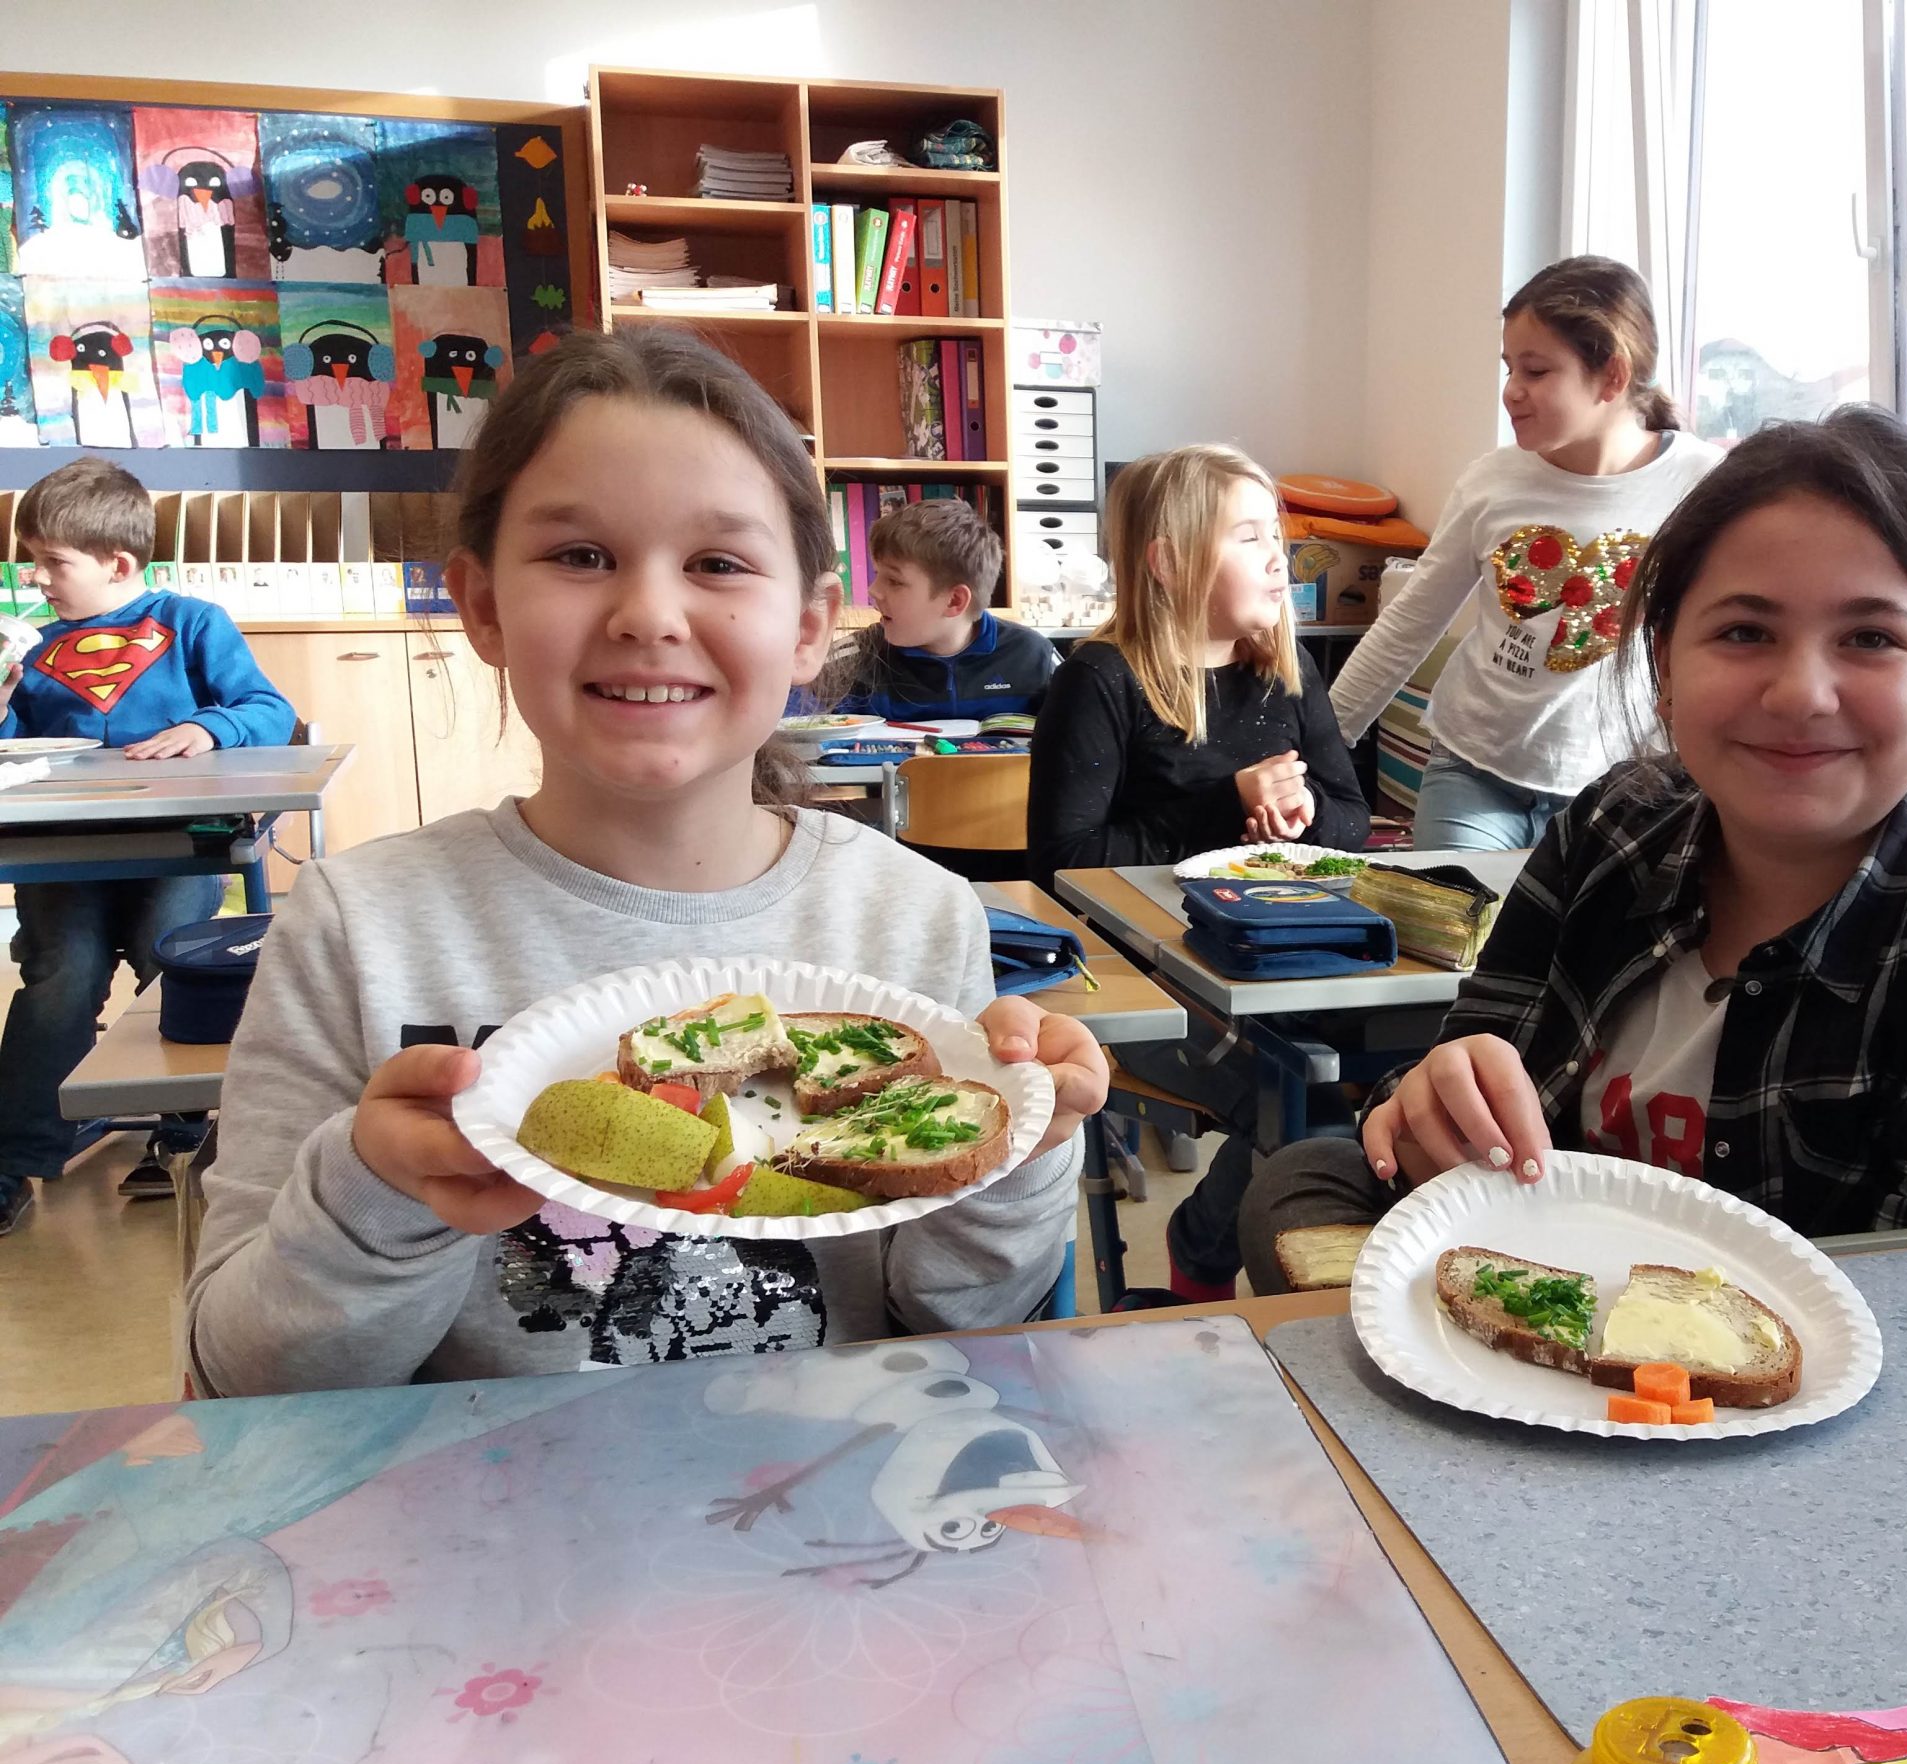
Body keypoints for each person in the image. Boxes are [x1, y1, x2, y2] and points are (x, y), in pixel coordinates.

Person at [185, 329, 1106, 1393]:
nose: (649, 616)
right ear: (482, 606)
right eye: (581, 556)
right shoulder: (360, 925)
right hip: (474, 1490)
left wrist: (1019, 1155)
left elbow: (963, 1325)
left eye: (718, 564)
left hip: (836, 1472)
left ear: (809, 627)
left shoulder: (915, 915)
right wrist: (374, 1191)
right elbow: (247, 1383)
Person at [1238, 408, 1907, 1292]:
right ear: (1666, 664)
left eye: (1871, 638)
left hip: (1803, 1374)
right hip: (1546, 1286)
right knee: (1305, 1178)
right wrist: (1428, 1105)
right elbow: (1452, 1106)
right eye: (1745, 632)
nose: (1800, 694)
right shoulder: (1616, 826)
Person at [1028, 444, 1367, 1300]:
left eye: (1276, 537)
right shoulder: (1100, 679)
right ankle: (1211, 1253)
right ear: (1170, 563)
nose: (1280, 559)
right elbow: (1061, 863)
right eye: (1249, 538)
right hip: (1143, 982)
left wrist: (1304, 814)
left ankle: (1210, 1239)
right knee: (1307, 1102)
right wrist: (1225, 807)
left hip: (1279, 961)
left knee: (1376, 1078)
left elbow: (1353, 821)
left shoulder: (1284, 671)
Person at [1325, 257, 1722, 850]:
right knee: (1454, 910)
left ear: (1612, 376)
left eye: (1536, 371)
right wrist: (1321, 745)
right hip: (1475, 770)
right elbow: (1409, 624)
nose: (1511, 390)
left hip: (1623, 789)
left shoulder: (1703, 484)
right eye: (1509, 368)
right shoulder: (1492, 481)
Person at [0, 457, 297, 1232]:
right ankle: (15, 1156)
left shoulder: (192, 623)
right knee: (60, 976)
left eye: (52, 562)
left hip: (179, 841)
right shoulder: (33, 649)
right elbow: (15, 747)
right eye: (31, 562)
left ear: (117, 563)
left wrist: (208, 727)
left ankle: (187, 1123)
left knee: (172, 957)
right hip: (65, 850)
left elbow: (266, 708)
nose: (37, 579)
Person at [797, 496, 1056, 723]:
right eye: (877, 574)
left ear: (954, 601)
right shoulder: (855, 659)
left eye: (894, 581)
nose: (873, 590)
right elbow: (787, 724)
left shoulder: (1034, 657)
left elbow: (1075, 737)